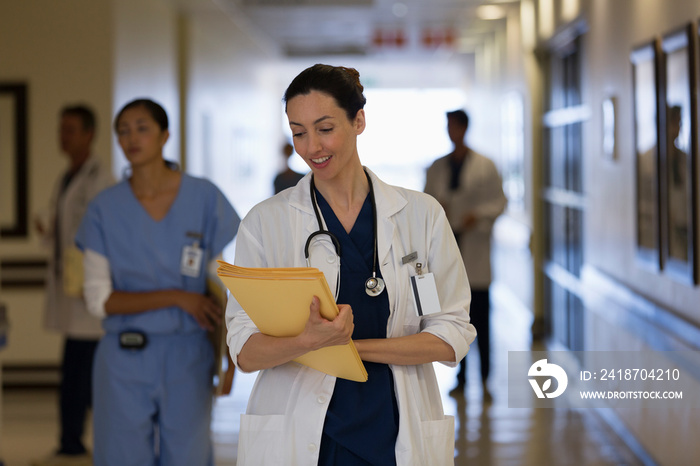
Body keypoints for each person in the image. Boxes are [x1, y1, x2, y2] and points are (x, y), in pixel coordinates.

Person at [226, 64, 476, 465]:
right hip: (302, 432)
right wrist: (307, 342)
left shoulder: (420, 215)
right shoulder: (265, 222)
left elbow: (449, 334)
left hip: (393, 427)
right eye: (298, 132)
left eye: (325, 129)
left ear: (359, 120)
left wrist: (348, 348)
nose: (311, 148)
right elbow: (244, 351)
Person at [75, 98, 240, 466]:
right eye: (123, 131)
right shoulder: (104, 208)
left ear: (165, 135)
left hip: (189, 354)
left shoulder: (202, 197)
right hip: (123, 357)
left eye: (142, 127)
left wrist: (230, 351)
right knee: (121, 457)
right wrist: (177, 297)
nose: (131, 137)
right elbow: (99, 299)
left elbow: (220, 279)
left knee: (189, 457)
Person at [33, 104, 113, 466]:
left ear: (89, 134)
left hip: (87, 290)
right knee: (75, 371)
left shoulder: (100, 179)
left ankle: (78, 440)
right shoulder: (68, 177)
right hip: (71, 288)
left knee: (85, 374)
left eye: (70, 129)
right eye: (60, 128)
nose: (62, 136)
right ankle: (70, 440)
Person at [424, 109, 507, 400]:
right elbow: (426, 204)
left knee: (481, 320)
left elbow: (499, 202)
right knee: (455, 319)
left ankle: (485, 379)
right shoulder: (437, 166)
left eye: (455, 127)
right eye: (448, 127)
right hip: (449, 250)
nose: (451, 132)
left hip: (475, 249)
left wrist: (477, 215)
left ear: (464, 128)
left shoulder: (485, 165)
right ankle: (460, 378)